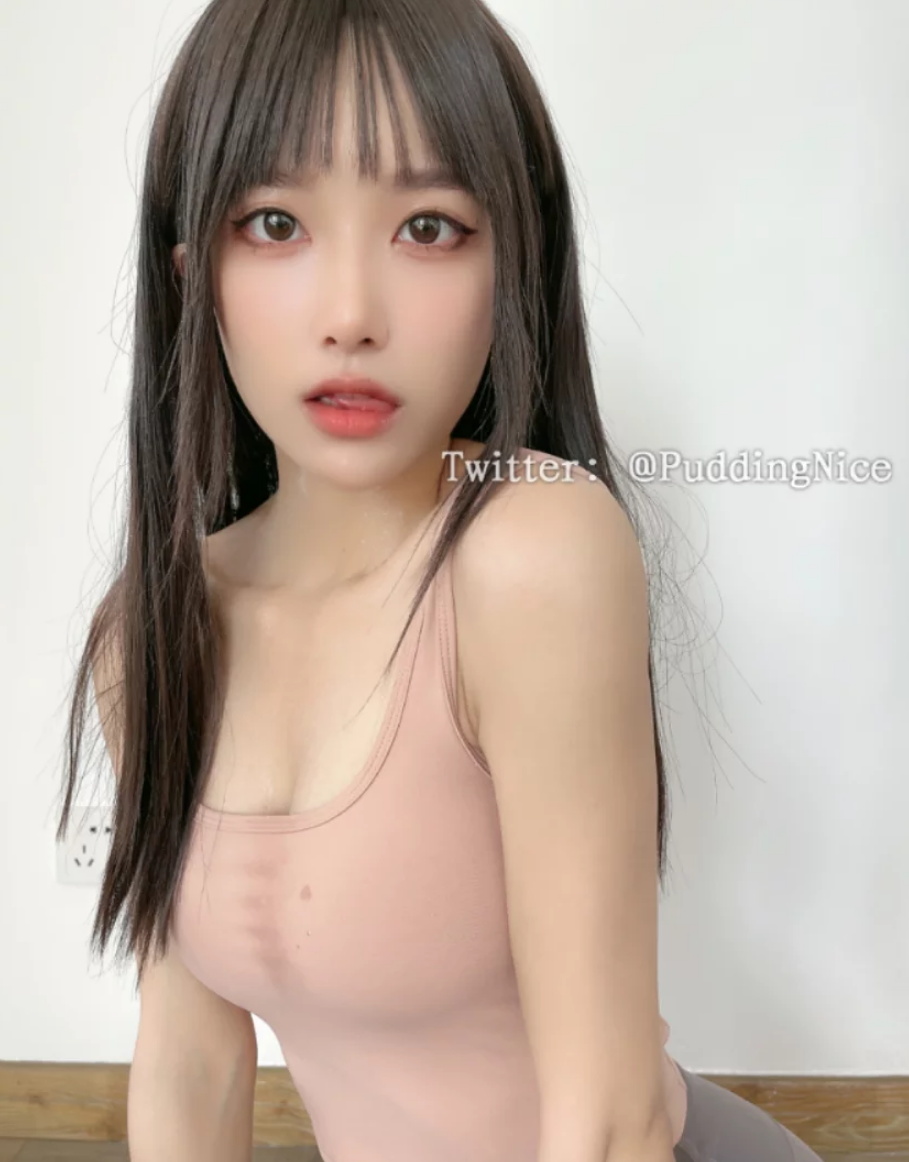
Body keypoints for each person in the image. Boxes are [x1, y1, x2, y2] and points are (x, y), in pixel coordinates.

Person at [58, 2, 825, 1160]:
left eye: (428, 227)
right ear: (192, 273)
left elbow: (610, 1120)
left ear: (510, 265)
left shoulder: (534, 550)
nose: (351, 316)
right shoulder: (153, 634)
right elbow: (189, 1062)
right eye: (274, 223)